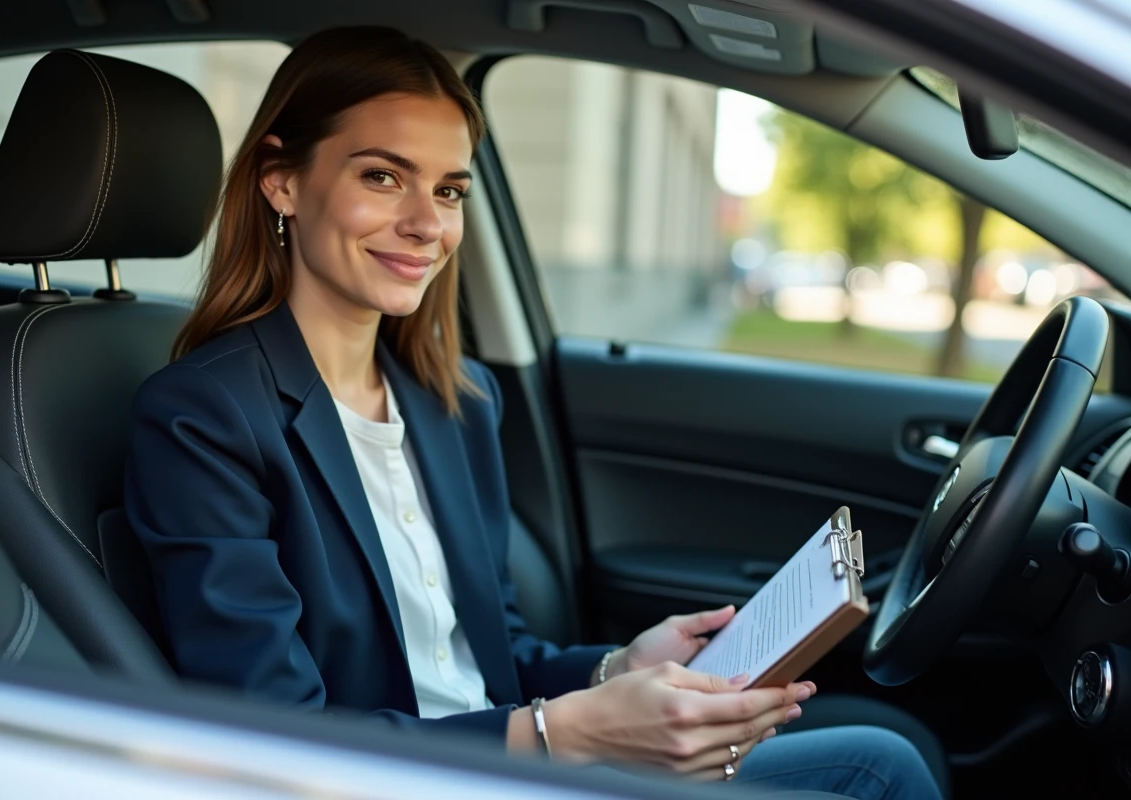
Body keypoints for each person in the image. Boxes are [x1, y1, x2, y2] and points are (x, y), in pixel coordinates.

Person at [124, 26, 942, 799]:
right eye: (382, 177)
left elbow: (494, 658)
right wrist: (566, 736)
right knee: (879, 771)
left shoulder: (455, 403)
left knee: (883, 753)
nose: (426, 224)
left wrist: (616, 670)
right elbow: (275, 742)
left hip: (515, 763)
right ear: (282, 181)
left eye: (448, 190)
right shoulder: (204, 418)